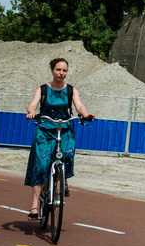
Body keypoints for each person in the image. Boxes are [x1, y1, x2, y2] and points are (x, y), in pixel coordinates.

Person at [25, 57, 94, 219]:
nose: (61, 73)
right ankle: (35, 207)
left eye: (64, 70)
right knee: (41, 164)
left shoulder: (71, 90)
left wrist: (85, 115)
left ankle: (62, 179)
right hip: (45, 130)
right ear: (52, 70)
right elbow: (32, 104)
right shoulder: (42, 89)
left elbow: (79, 105)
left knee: (68, 154)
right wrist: (32, 112)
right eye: (58, 70)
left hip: (65, 129)